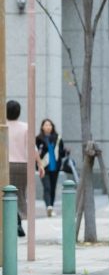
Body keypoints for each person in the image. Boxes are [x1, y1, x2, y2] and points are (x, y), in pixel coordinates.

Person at [7, 100, 39, 237]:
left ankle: (13, 223)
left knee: (6, 195)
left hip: (5, 165)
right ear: (19, 112)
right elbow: (33, 148)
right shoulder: (25, 127)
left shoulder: (2, 126)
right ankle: (18, 222)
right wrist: (40, 164)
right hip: (23, 165)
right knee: (19, 194)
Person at [36, 118, 70, 217]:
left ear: (52, 127)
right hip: (44, 166)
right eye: (46, 125)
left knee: (53, 188)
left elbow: (61, 154)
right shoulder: (38, 139)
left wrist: (66, 151)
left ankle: (51, 206)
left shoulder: (58, 138)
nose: (48, 127)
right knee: (47, 187)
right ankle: (48, 206)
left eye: (49, 125)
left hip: (55, 167)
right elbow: (36, 153)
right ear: (42, 127)